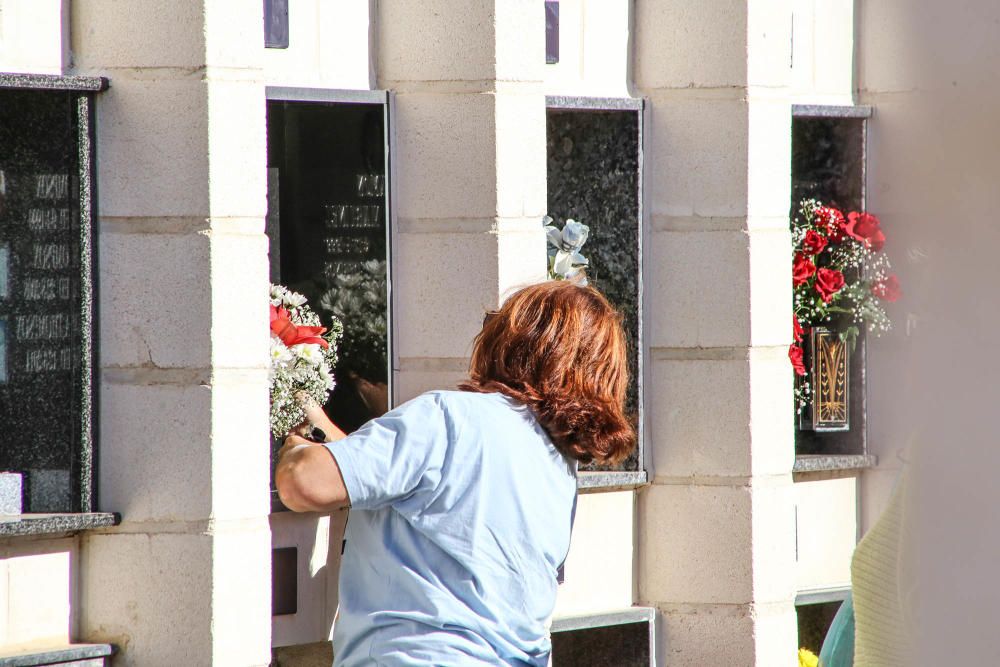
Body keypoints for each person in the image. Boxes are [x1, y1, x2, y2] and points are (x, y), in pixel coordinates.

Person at [275, 281, 635, 666]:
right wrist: (325, 431)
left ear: (516, 341)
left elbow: (303, 484)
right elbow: (404, 479)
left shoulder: (448, 418)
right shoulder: (556, 464)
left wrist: (295, 448)